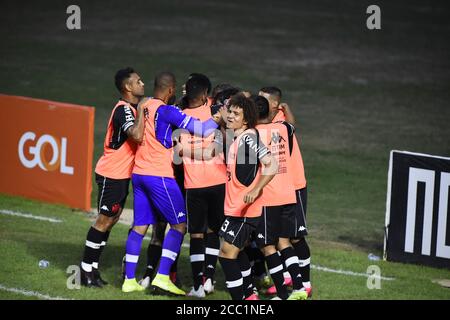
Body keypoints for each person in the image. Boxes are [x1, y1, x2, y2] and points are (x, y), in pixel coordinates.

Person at [122, 72, 223, 295]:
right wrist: (218, 117)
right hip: (159, 175)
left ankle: (129, 280)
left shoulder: (145, 105)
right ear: (170, 90)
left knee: (139, 226)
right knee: (179, 225)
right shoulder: (169, 111)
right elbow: (204, 129)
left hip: (138, 173)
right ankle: (163, 277)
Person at [205, 94, 278, 300]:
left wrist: (256, 190)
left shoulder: (248, 138)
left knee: (227, 255)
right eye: (230, 112)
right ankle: (250, 295)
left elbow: (272, 164)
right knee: (238, 253)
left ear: (245, 120)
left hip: (245, 211)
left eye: (236, 114)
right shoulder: (237, 138)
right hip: (235, 208)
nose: (230, 116)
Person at [80, 67, 145, 287]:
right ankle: (85, 270)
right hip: (112, 174)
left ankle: (93, 269)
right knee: (103, 220)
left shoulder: (132, 108)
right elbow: (136, 134)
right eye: (138, 81)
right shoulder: (125, 110)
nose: (142, 84)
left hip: (120, 174)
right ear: (127, 87)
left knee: (112, 220)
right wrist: (144, 110)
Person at [253, 95, 307, 300]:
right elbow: (291, 124)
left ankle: (283, 295)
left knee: (268, 247)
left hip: (268, 197)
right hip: (288, 193)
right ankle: (300, 289)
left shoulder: (253, 135)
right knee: (284, 242)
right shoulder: (284, 128)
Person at [177, 75, 227, 297]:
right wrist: (208, 151)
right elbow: (225, 141)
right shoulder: (216, 111)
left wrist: (189, 151)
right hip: (218, 181)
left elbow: (177, 153)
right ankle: (208, 279)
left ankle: (198, 285)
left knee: (197, 234)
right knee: (213, 231)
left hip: (195, 184)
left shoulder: (179, 116)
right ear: (206, 93)